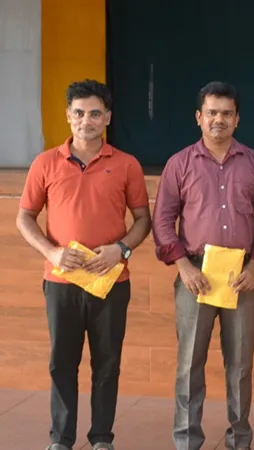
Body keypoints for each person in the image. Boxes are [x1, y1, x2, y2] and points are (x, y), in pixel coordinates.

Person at [16, 79, 152, 450]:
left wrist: (121, 249)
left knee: (107, 363)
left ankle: (102, 438)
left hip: (110, 281)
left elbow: (143, 220)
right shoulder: (45, 163)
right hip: (61, 281)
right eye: (79, 113)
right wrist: (51, 252)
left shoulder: (126, 164)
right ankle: (61, 439)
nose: (86, 121)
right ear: (68, 115)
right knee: (62, 362)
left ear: (107, 117)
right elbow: (24, 218)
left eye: (95, 113)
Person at [151, 81, 254, 450]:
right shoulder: (180, 163)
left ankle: (239, 439)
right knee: (189, 364)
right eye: (211, 113)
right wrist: (183, 266)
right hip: (195, 275)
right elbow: (163, 219)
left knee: (240, 366)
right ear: (199, 117)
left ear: (237, 119)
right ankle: (186, 440)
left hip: (242, 276)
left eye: (226, 113)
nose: (218, 120)